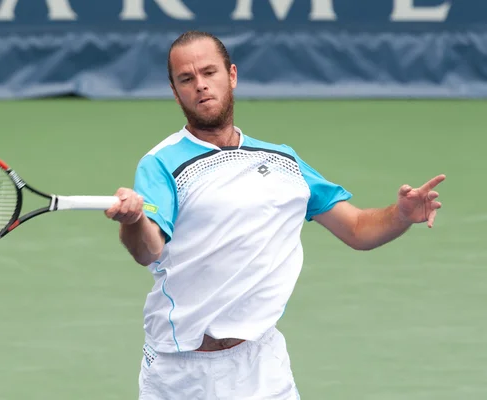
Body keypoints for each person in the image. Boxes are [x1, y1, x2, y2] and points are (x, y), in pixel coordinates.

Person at [104, 31, 445, 400]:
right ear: (175, 91)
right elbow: (147, 250)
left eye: (209, 72)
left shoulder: (283, 161)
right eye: (186, 79)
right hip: (181, 372)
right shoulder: (161, 163)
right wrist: (134, 221)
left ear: (231, 75)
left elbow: (358, 229)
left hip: (262, 367)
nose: (200, 85)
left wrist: (401, 214)